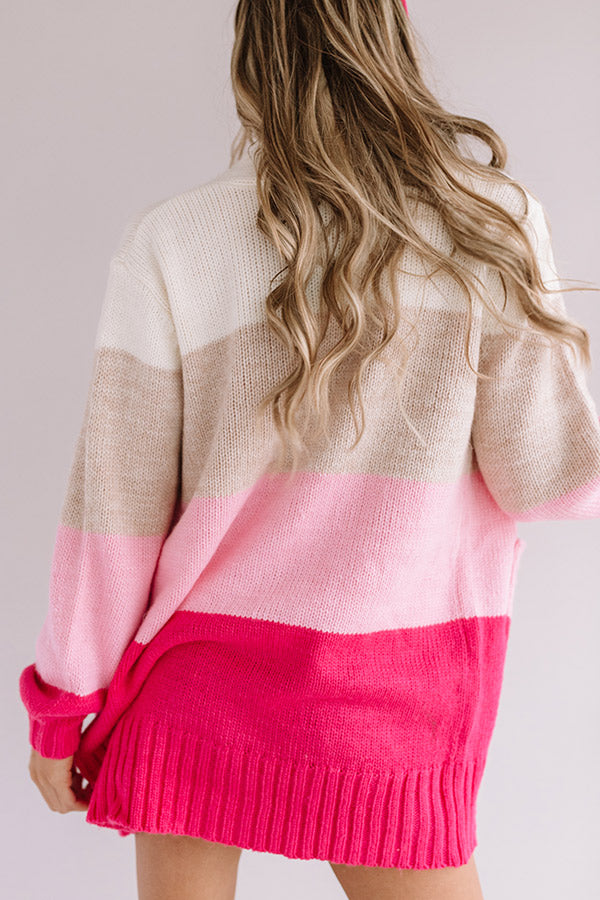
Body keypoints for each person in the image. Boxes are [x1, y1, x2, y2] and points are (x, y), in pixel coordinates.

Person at [19, 1, 600, 899]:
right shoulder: (489, 222)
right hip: (396, 702)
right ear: (391, 38)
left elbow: (114, 510)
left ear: (253, 50)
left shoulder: (176, 241)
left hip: (195, 687)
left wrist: (64, 706)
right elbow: (550, 478)